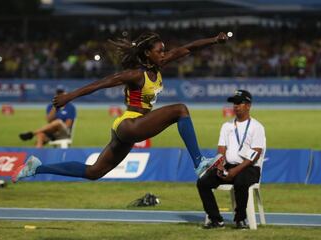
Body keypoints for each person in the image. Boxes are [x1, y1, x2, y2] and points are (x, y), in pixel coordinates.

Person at [12, 31, 228, 183]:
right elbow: (101, 83)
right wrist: (69, 96)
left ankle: (37, 167)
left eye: (164, 51)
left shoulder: (159, 65)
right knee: (180, 109)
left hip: (130, 130)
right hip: (129, 124)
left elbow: (188, 48)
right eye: (159, 51)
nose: (164, 54)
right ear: (147, 54)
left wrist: (215, 40)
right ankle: (199, 162)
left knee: (94, 172)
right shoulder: (135, 74)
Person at [197, 90, 266, 229]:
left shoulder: (257, 127)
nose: (235, 106)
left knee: (241, 182)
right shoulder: (226, 126)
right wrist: (221, 165)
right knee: (203, 182)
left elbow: (255, 155)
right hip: (228, 166)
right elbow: (221, 149)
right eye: (234, 103)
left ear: (248, 105)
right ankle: (216, 219)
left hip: (249, 168)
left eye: (239, 103)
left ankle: (240, 219)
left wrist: (235, 171)